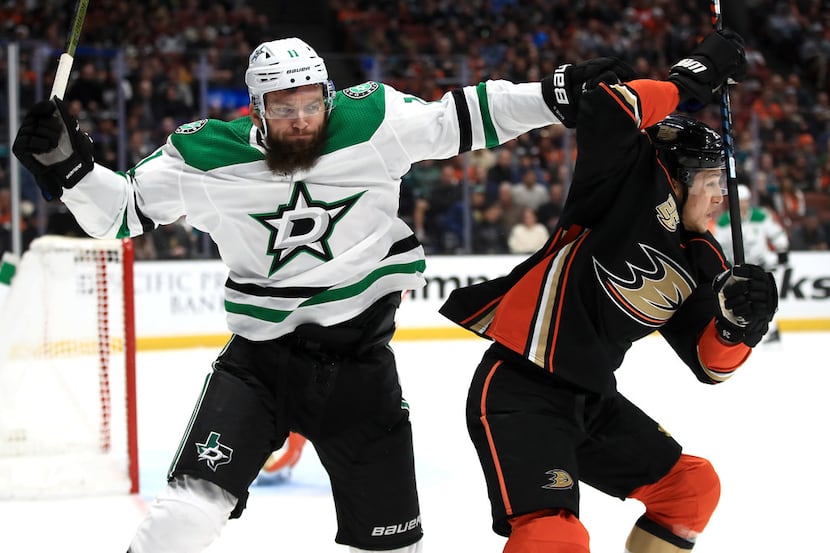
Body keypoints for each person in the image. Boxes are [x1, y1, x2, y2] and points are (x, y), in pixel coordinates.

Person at [12, 37, 632, 553]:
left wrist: (555, 94)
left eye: (311, 104)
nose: (301, 120)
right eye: (284, 109)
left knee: (394, 546)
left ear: (328, 95)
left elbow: (464, 115)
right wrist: (70, 170)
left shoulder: (374, 122)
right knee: (182, 519)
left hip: (362, 372)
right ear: (255, 109)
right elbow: (120, 213)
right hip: (258, 369)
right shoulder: (204, 157)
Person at [440, 31, 778, 552]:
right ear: (679, 177)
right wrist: (691, 79)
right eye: (712, 181)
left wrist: (741, 325)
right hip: (520, 391)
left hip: (592, 400)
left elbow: (711, 364)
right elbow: (608, 107)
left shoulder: (704, 257)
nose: (720, 197)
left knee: (690, 488)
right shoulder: (625, 183)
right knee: (555, 534)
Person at [713, 183, 788, 342]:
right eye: (739, 201)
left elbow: (775, 232)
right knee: (743, 300)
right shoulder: (724, 222)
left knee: (765, 299)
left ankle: (771, 330)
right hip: (740, 269)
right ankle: (744, 329)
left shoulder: (760, 216)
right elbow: (720, 245)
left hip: (761, 265)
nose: (742, 205)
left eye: (745, 201)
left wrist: (782, 248)